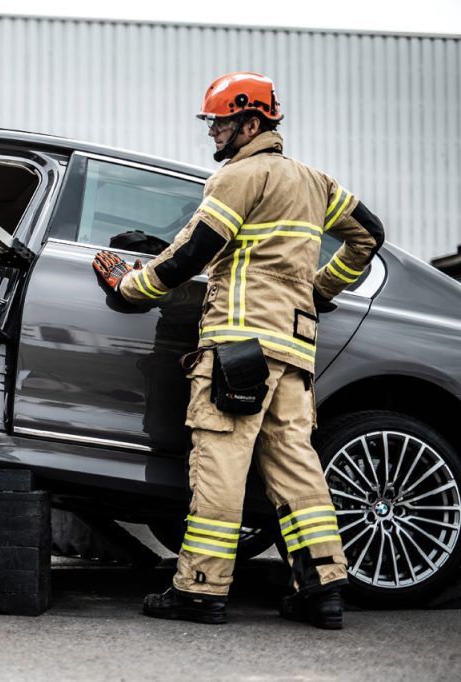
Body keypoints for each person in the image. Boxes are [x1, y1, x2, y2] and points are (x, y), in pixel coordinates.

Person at [93, 72, 384, 629]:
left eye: (220, 123)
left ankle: (200, 589)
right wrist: (319, 290)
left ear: (251, 123)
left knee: (221, 465)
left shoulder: (238, 177)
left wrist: (129, 289)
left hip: (238, 349)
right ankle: (323, 589)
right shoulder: (316, 183)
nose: (213, 133)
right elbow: (369, 235)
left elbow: (191, 254)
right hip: (294, 351)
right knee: (296, 466)